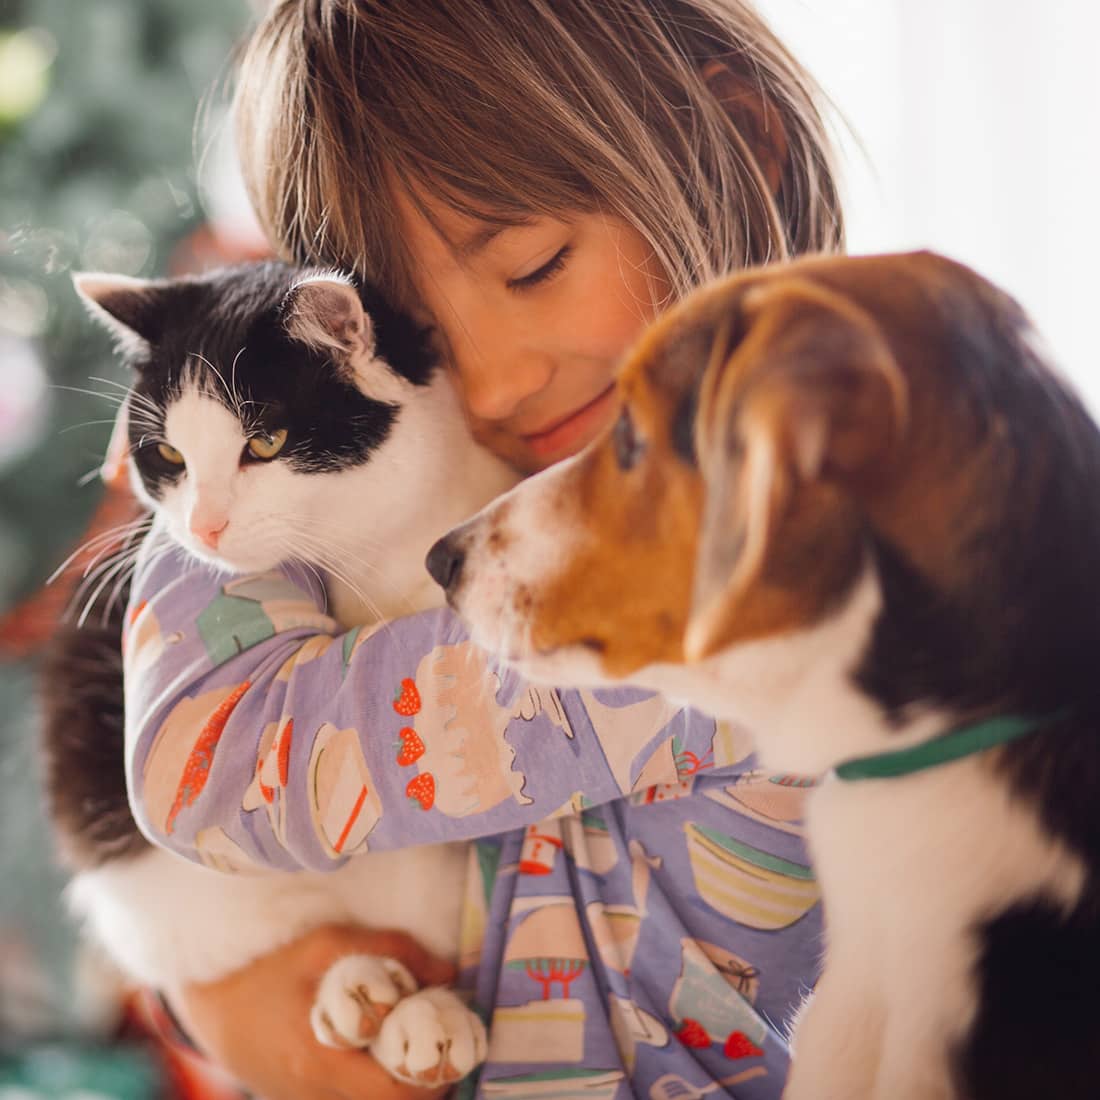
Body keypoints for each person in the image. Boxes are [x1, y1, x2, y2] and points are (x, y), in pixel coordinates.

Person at [127, 2, 845, 1098]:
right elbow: (199, 754)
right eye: (409, 321)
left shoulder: (856, 529)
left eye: (533, 265)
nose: (496, 379)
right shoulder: (377, 455)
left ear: (740, 137)